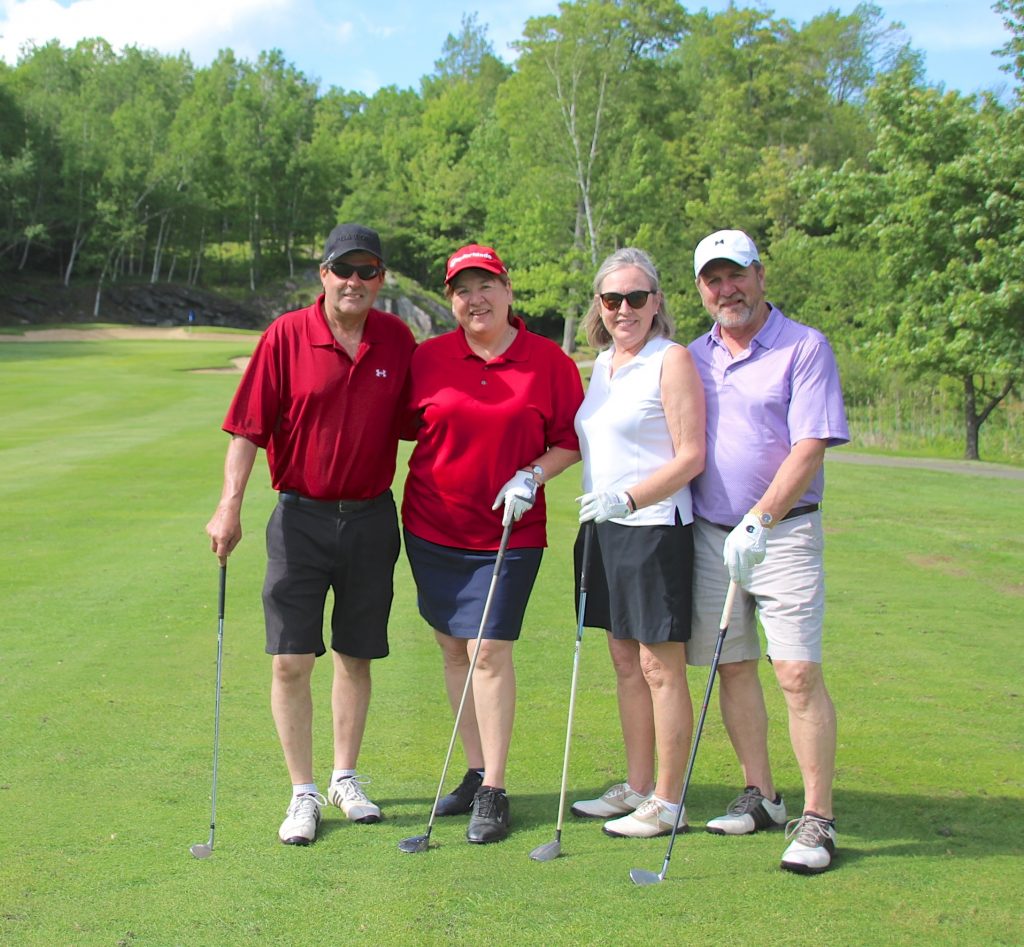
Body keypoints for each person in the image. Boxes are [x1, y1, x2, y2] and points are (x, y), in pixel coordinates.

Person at [205, 223, 416, 846]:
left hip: (372, 518)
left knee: (356, 653)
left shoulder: (396, 339)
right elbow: (247, 430)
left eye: (367, 271)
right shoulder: (286, 335)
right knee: (291, 659)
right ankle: (303, 792)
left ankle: (344, 779)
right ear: (323, 274)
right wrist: (228, 507)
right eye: (342, 270)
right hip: (300, 518)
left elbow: (427, 420)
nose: (354, 281)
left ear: (380, 278)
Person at [401, 243, 583, 844]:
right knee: (454, 649)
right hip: (432, 526)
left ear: (508, 291)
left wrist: (532, 474)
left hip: (509, 531)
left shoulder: (548, 362)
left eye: (485, 286)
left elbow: (569, 441)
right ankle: (476, 771)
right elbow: (403, 426)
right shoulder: (429, 358)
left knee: (488, 651)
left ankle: (496, 790)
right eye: (462, 290)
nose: (474, 299)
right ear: (451, 300)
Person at [687, 229, 849, 874]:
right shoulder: (693, 355)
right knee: (732, 667)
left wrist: (759, 519)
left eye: (737, 275)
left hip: (782, 535)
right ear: (701, 289)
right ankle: (762, 795)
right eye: (714, 279)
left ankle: (818, 818)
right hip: (709, 535)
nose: (727, 289)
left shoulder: (804, 346)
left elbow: (810, 444)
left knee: (797, 673)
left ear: (760, 276)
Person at [569, 247, 706, 838]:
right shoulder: (603, 363)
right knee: (625, 660)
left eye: (635, 297)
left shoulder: (670, 360)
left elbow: (691, 456)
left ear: (656, 303)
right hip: (603, 532)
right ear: (599, 305)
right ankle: (638, 784)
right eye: (612, 298)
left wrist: (628, 498)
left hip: (652, 529)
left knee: (658, 666)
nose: (623, 309)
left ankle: (669, 801)